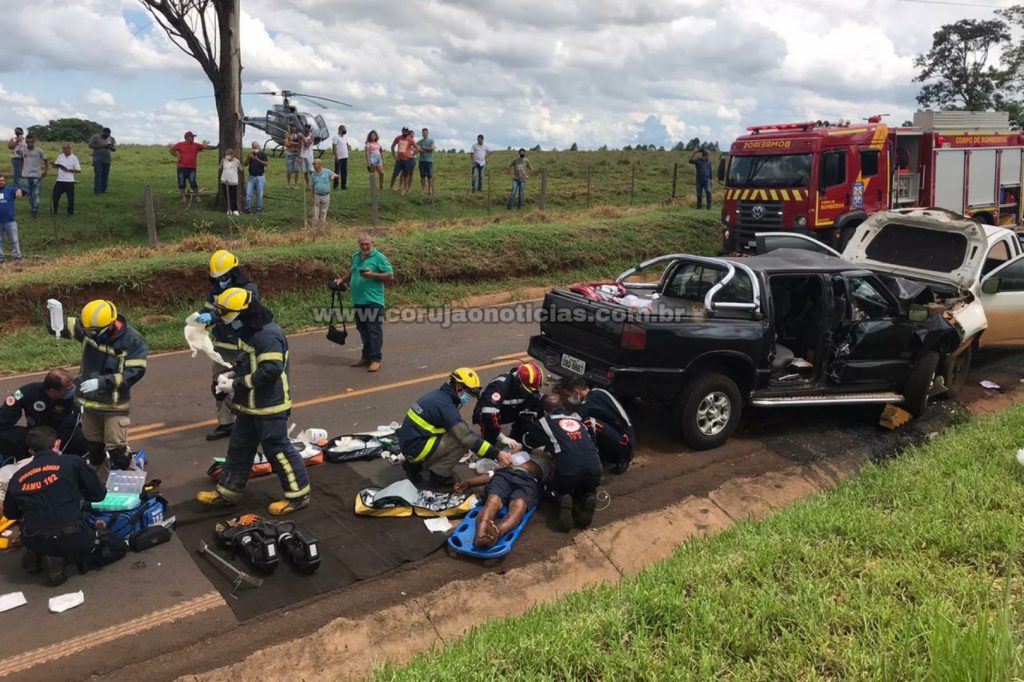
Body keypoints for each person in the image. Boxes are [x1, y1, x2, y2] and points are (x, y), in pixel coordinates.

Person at [195, 288, 312, 516]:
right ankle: (228, 492)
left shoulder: (267, 335)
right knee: (239, 448)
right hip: (249, 404)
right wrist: (230, 375)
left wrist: (236, 384)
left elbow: (270, 370)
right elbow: (248, 361)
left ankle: (298, 495)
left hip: (270, 405)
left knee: (277, 450)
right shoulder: (249, 330)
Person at [4, 427, 126, 586]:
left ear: (31, 450)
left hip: (33, 537)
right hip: (72, 535)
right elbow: (99, 494)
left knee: (38, 525)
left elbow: (10, 513)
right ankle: (71, 561)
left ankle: (40, 553)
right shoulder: (72, 462)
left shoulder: (18, 477)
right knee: (118, 547)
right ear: (57, 443)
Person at [52, 299, 148, 470]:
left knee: (118, 453)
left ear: (111, 325)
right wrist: (54, 316)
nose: (89, 336)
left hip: (114, 405)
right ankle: (98, 488)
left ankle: (134, 486)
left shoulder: (133, 341)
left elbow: (134, 373)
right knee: (94, 451)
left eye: (94, 333)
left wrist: (101, 383)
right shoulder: (89, 329)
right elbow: (60, 328)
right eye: (86, 332)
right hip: (89, 404)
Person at [454, 396, 558, 548]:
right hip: (505, 473)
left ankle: (496, 533)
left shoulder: (553, 452)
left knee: (519, 506)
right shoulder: (524, 444)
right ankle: (481, 536)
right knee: (493, 502)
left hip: (529, 479)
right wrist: (468, 482)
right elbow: (492, 474)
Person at [398, 368, 511, 487]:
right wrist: (496, 454)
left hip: (410, 443)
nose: (468, 397)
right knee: (461, 441)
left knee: (455, 433)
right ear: (458, 386)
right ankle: (438, 477)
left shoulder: (438, 396)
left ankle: (414, 466)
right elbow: (466, 437)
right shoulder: (445, 406)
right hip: (415, 448)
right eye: (469, 392)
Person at [192, 249, 260, 441]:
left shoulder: (247, 289)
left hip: (243, 346)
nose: (221, 280)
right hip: (221, 348)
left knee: (244, 384)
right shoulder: (215, 291)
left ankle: (250, 421)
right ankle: (226, 423)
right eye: (217, 277)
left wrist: (213, 316)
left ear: (233, 272)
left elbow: (240, 313)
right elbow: (208, 310)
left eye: (224, 276)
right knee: (219, 386)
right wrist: (198, 321)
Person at [521, 407, 601, 532]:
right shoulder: (579, 421)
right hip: (595, 467)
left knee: (550, 487)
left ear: (547, 411)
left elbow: (527, 443)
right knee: (585, 484)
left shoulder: (544, 422)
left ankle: (561, 498)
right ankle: (588, 496)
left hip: (568, 469)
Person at [333, 233, 395, 372]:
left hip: (373, 300)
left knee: (374, 330)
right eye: (362, 244)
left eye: (367, 244)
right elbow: (352, 272)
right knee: (363, 330)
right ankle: (366, 357)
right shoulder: (356, 256)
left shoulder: (379, 257)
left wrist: (372, 275)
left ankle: (376, 359)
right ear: (358, 244)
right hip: (358, 301)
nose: (365, 246)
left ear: (372, 243)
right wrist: (342, 280)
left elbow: (390, 275)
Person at [0, 369, 87, 461]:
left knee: (82, 440)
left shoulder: (73, 402)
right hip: (35, 434)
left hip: (58, 437)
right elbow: (7, 411)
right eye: (68, 388)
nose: (73, 388)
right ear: (53, 391)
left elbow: (68, 429)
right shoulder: (27, 390)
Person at [555, 376, 635, 474]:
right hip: (622, 434)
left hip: (624, 444)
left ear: (576, 392)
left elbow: (571, 421)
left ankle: (596, 461)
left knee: (588, 423)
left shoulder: (590, 403)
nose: (566, 399)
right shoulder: (598, 391)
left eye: (567, 395)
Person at [472, 361, 545, 446]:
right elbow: (488, 412)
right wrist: (501, 437)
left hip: (510, 408)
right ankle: (488, 445)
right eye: (529, 388)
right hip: (489, 413)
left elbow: (535, 402)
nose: (532, 391)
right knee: (489, 434)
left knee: (538, 405)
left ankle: (517, 437)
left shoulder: (528, 386)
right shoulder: (500, 385)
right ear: (519, 381)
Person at [170, 131, 215, 204]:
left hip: (192, 168)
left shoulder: (196, 145)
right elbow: (171, 150)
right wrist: (177, 156)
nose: (193, 138)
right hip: (181, 167)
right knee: (181, 183)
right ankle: (183, 198)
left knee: (193, 182)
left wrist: (216, 147)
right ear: (187, 138)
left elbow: (205, 147)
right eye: (192, 137)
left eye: (193, 137)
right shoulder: (180, 144)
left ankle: (197, 196)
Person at [51, 143, 81, 217]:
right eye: (63, 149)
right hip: (60, 180)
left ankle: (70, 212)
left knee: (70, 198)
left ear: (70, 149)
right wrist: (54, 165)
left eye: (65, 149)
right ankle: (54, 211)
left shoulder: (74, 158)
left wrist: (68, 170)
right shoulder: (60, 156)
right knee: (55, 196)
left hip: (69, 180)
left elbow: (78, 170)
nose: (64, 150)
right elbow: (56, 166)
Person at [20, 135, 47, 217]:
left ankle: (35, 209)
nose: (29, 143)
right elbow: (22, 160)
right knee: (28, 193)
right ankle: (32, 207)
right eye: (28, 142)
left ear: (34, 142)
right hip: (26, 175)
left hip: (36, 175)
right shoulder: (23, 151)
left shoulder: (39, 151)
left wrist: (45, 171)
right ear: (26, 142)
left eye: (31, 142)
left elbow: (46, 161)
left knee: (36, 193)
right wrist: (21, 172)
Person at [0, 173, 23, 263]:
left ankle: (17, 256)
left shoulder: (10, 190)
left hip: (10, 221)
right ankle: (0, 257)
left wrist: (19, 190)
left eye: (2, 180)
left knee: (14, 239)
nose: (1, 182)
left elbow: (24, 191)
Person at [310, 158, 338, 227]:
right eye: (313, 164)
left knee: (323, 212)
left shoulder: (327, 171)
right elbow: (312, 186)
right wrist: (312, 197)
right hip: (317, 195)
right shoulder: (313, 175)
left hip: (326, 195)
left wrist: (332, 176)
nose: (313, 165)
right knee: (316, 213)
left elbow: (337, 175)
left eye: (314, 164)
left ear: (319, 165)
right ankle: (315, 229)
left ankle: (322, 228)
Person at [88, 127, 116, 194]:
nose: (106, 136)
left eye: (108, 135)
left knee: (105, 175)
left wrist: (110, 147)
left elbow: (114, 149)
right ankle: (97, 191)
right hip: (97, 159)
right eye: (105, 134)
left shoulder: (111, 138)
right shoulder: (95, 137)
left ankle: (103, 190)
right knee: (98, 174)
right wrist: (102, 146)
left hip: (107, 159)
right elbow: (90, 146)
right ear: (102, 132)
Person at [245, 141, 269, 214]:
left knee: (259, 194)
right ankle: (247, 209)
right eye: (253, 147)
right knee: (248, 193)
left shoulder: (263, 154)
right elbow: (245, 164)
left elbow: (266, 164)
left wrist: (257, 159)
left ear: (259, 147)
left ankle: (259, 209)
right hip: (251, 177)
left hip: (260, 177)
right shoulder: (250, 155)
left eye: (255, 147)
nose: (254, 149)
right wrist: (248, 158)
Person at [219, 149, 242, 215]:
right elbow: (220, 168)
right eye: (226, 155)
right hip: (224, 181)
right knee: (226, 195)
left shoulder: (237, 161)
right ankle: (229, 209)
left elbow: (241, 169)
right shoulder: (223, 160)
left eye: (228, 155)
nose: (227, 156)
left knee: (234, 195)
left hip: (234, 181)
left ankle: (235, 209)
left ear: (232, 155)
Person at [417, 127, 435, 195]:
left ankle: (430, 190)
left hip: (429, 161)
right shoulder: (420, 141)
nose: (424, 133)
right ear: (422, 133)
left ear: (428, 133)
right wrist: (427, 149)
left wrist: (423, 148)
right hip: (422, 161)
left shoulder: (431, 140)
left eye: (425, 132)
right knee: (422, 176)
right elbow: (417, 149)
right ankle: (423, 189)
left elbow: (432, 149)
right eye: (423, 132)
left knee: (430, 176)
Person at [284, 123, 301, 188]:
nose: (293, 128)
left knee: (297, 170)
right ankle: (288, 184)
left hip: (296, 153)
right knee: (289, 169)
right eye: (292, 127)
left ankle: (295, 185)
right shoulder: (287, 134)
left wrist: (291, 142)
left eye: (294, 127)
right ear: (290, 127)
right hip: (289, 153)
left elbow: (299, 144)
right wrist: (294, 143)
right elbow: (286, 144)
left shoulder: (298, 135)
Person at [299, 123, 316, 188]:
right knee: (305, 171)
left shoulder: (311, 136)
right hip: (302, 155)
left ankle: (312, 184)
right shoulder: (300, 136)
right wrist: (298, 156)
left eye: (308, 127)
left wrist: (303, 138)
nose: (307, 129)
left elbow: (306, 145)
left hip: (309, 155)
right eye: (306, 127)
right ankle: (307, 185)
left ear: (309, 128)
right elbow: (299, 146)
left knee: (311, 171)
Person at [332, 125, 348, 190]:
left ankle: (343, 186)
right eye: (344, 129)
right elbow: (334, 147)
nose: (345, 130)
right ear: (340, 129)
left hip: (345, 157)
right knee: (337, 172)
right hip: (339, 157)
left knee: (344, 172)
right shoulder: (335, 137)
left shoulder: (344, 138)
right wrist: (336, 156)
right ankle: (335, 186)